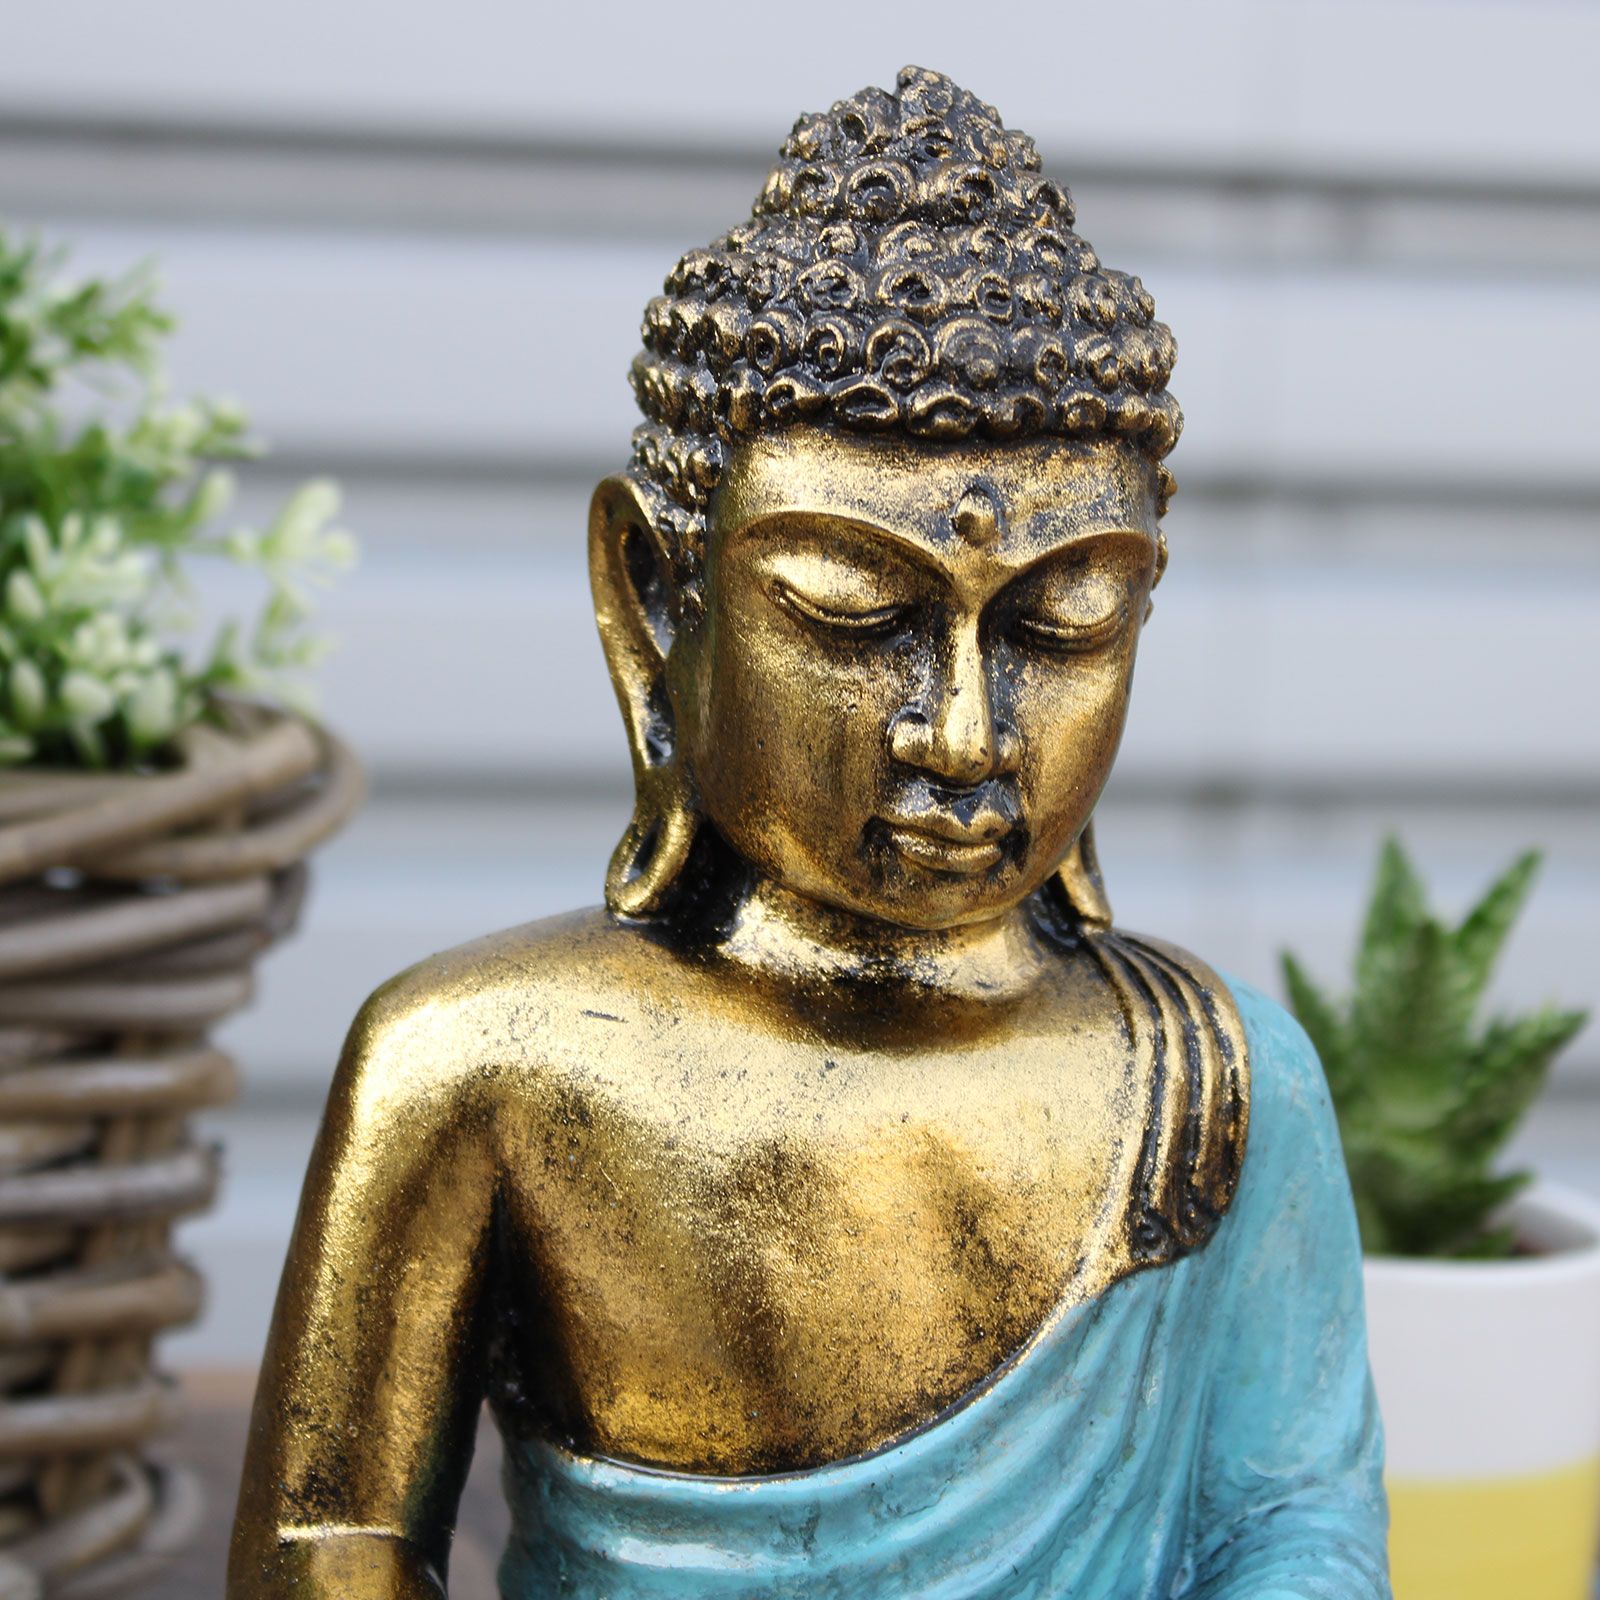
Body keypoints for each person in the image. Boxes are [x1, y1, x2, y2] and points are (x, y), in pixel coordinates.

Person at [229, 66, 1391, 1599]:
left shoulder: (1221, 1086)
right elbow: (329, 1541)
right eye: (854, 614)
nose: (964, 731)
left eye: (1062, 626)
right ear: (656, 603)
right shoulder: (480, 1066)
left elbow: (1296, 1526)